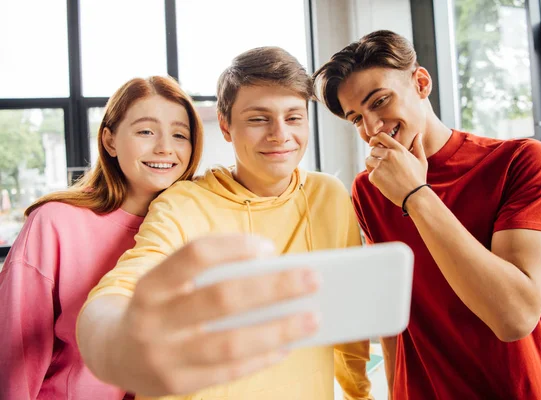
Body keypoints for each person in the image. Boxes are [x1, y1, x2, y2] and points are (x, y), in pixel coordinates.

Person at [77, 47, 373, 400]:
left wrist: (360, 394)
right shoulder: (183, 203)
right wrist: (120, 346)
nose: (280, 134)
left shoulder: (329, 195)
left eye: (293, 117)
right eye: (258, 119)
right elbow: (117, 294)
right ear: (225, 126)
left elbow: (349, 322)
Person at [313, 30, 541, 399]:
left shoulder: (522, 162)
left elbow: (515, 317)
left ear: (420, 82)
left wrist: (415, 194)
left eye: (380, 101)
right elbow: (394, 313)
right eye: (355, 119)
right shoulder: (368, 189)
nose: (371, 129)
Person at [0, 76, 203, 399]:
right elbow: (14, 354)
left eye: (180, 134)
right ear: (109, 141)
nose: (165, 147)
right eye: (146, 131)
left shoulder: (195, 225)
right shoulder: (55, 222)